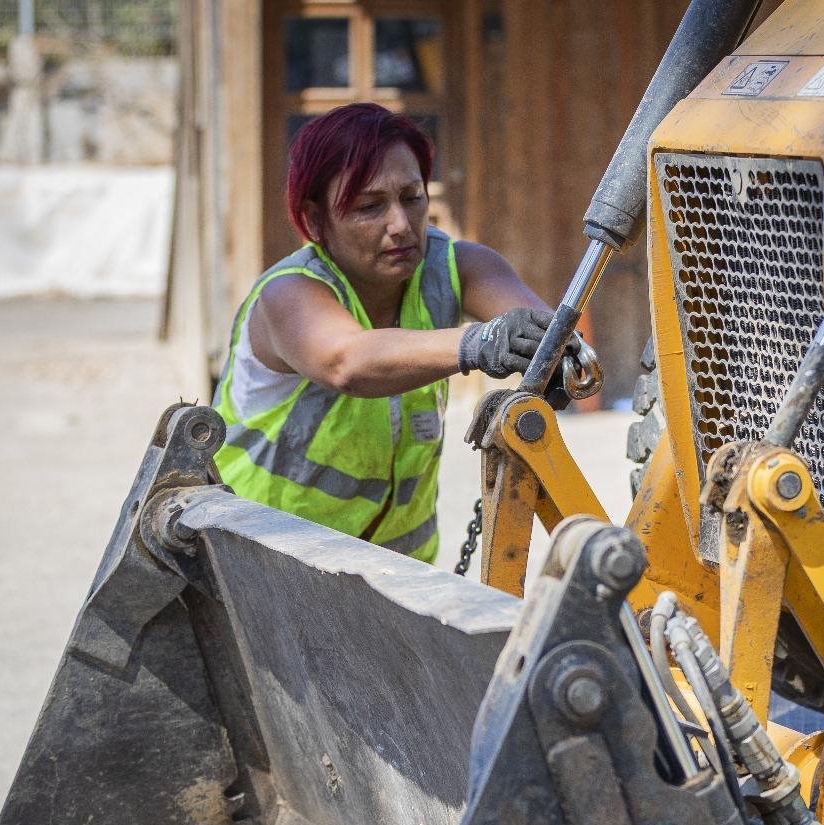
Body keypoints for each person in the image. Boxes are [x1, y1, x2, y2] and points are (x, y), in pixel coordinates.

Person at [212, 102, 582, 563]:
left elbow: (539, 326)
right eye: (370, 206)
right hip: (261, 563)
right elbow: (348, 361)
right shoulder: (288, 295)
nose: (401, 226)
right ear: (313, 220)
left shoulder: (460, 267)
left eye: (412, 198)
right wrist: (479, 342)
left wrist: (560, 355)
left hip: (398, 576)